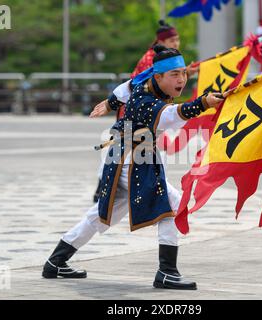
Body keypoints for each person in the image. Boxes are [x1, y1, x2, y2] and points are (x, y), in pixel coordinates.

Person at [42, 45, 223, 290]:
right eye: (175, 75)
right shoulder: (147, 101)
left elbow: (122, 89)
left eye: (183, 73)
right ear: (158, 77)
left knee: (101, 215)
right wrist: (203, 103)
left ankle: (56, 261)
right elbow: (172, 114)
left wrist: (109, 103)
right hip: (132, 159)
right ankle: (167, 272)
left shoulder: (144, 81)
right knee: (172, 205)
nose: (181, 79)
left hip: (124, 156)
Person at [92, 20, 198, 202]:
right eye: (172, 40)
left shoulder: (164, 58)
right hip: (137, 108)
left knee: (143, 150)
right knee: (120, 150)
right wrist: (111, 103)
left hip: (151, 110)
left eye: (177, 40)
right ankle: (104, 185)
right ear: (161, 41)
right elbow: (139, 83)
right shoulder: (151, 59)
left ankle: (112, 185)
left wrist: (186, 72)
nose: (176, 44)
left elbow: (167, 78)